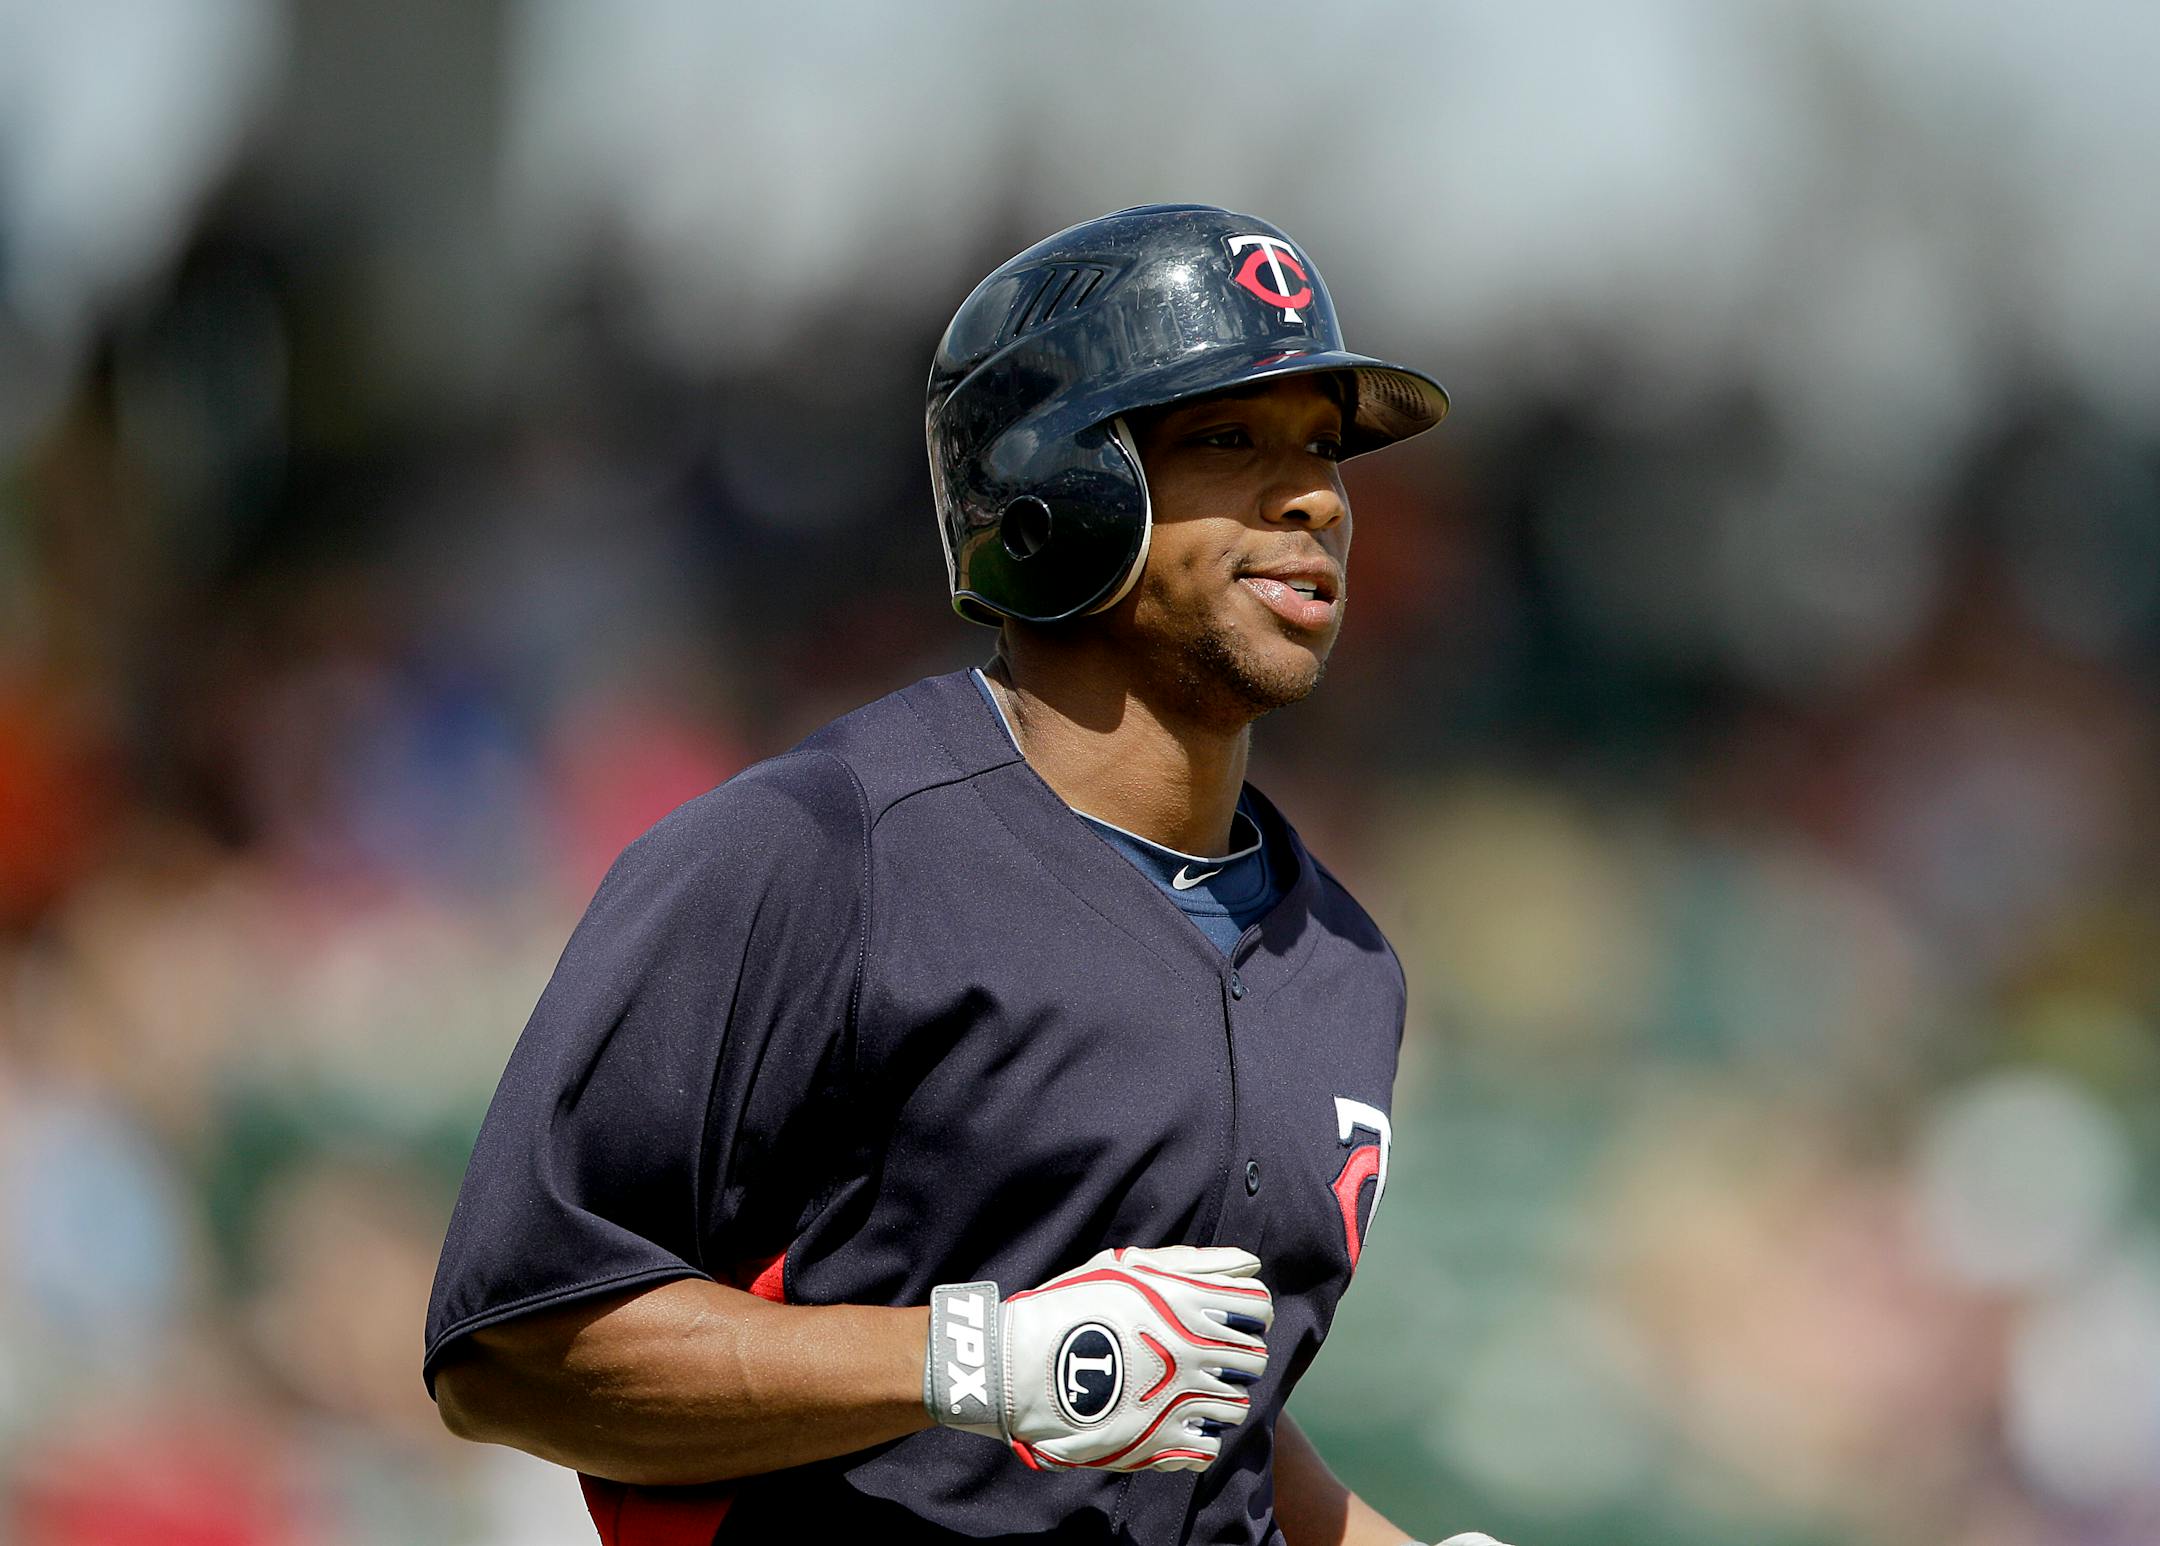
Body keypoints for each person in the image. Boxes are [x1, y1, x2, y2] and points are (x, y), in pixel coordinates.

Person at [424, 204, 1510, 1546]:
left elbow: (1193, 1409)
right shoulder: (816, 851)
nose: (1317, 501)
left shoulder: (1343, 960)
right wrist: (969, 1363)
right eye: (1230, 439)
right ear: (1062, 483)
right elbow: (510, 1341)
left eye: (1325, 449)